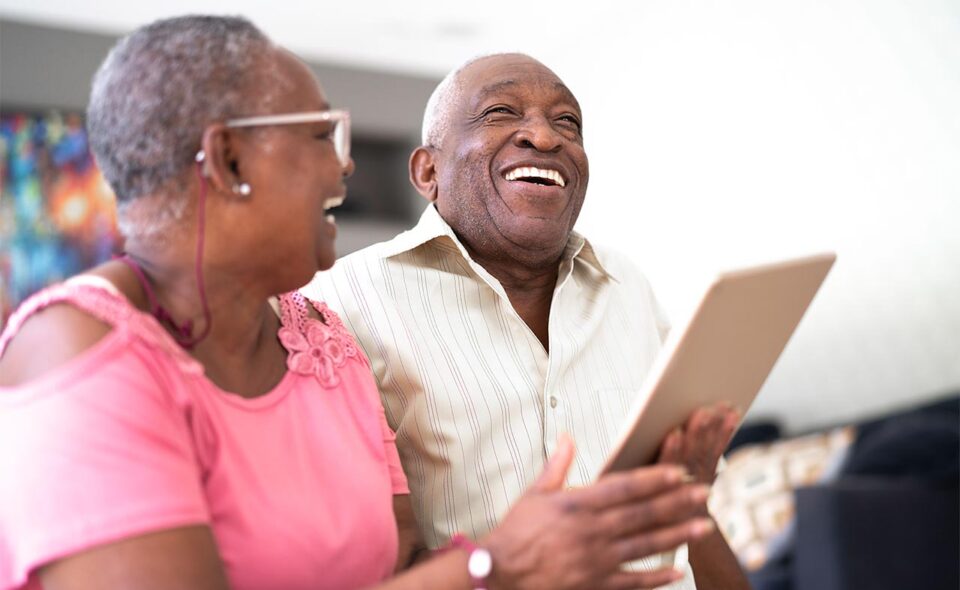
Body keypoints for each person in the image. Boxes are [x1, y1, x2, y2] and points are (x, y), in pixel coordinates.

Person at [0, 17, 715, 590]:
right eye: (320, 134)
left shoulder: (323, 342)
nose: (344, 164)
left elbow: (402, 564)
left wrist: (535, 553)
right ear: (229, 162)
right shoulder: (78, 348)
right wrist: (497, 567)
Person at [304, 53, 752, 589]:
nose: (544, 137)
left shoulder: (627, 285)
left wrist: (688, 492)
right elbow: (354, 563)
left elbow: (687, 513)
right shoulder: (339, 302)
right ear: (428, 171)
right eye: (499, 112)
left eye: (568, 122)